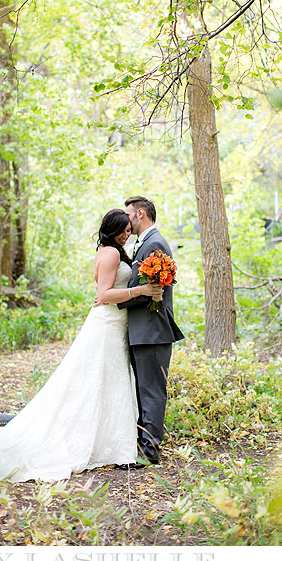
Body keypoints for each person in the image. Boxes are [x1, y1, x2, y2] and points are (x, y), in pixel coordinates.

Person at [0, 209, 164, 482]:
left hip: (112, 323)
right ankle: (101, 443)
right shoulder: (111, 253)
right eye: (123, 231)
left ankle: (109, 441)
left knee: (106, 382)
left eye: (128, 230)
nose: (127, 235)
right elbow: (104, 294)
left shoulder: (108, 250)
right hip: (107, 324)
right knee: (98, 381)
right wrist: (141, 290)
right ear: (112, 230)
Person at [111, 195, 184, 468]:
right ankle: (143, 444)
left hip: (153, 330)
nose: (126, 222)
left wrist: (113, 299)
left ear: (140, 214)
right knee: (144, 389)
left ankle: (149, 452)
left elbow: (151, 292)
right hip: (144, 330)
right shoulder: (145, 243)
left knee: (152, 391)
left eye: (129, 215)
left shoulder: (154, 244)